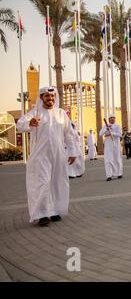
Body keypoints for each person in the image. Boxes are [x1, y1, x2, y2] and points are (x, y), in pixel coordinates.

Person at [16, 86, 79, 226]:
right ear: (42, 98)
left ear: (55, 97)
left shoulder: (61, 113)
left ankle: (55, 211)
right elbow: (19, 125)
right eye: (47, 96)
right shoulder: (35, 113)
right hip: (40, 155)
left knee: (57, 182)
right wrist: (29, 123)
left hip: (58, 154)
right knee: (42, 183)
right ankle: (42, 214)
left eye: (52, 96)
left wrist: (73, 151)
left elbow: (69, 134)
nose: (50, 99)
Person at [99, 114, 123, 181]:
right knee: (108, 160)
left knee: (117, 159)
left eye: (113, 118)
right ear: (109, 119)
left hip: (116, 145)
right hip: (108, 146)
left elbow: (120, 134)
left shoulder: (118, 126)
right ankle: (109, 175)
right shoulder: (105, 126)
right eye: (111, 118)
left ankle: (119, 173)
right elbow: (100, 134)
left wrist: (111, 133)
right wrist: (106, 129)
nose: (112, 119)